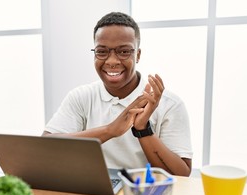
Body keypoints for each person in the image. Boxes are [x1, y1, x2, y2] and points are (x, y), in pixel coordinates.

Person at [43, 12, 192, 176]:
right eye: (102, 51)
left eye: (123, 52)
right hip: (93, 193)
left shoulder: (169, 104)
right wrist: (110, 130)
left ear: (138, 55)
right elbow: (45, 148)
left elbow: (181, 175)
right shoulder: (81, 96)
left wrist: (143, 130)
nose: (112, 61)